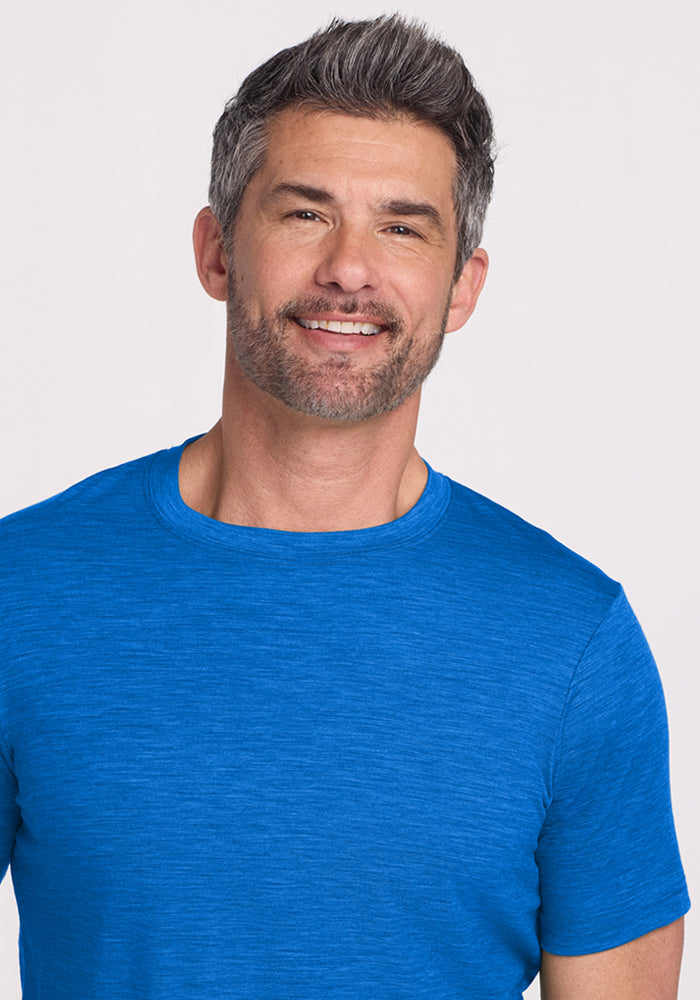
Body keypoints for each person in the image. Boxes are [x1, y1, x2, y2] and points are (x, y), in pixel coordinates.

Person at [0, 14, 689, 999]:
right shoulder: (21, 593)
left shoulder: (574, 645)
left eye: (403, 226)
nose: (351, 268)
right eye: (304, 212)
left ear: (460, 287)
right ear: (215, 251)